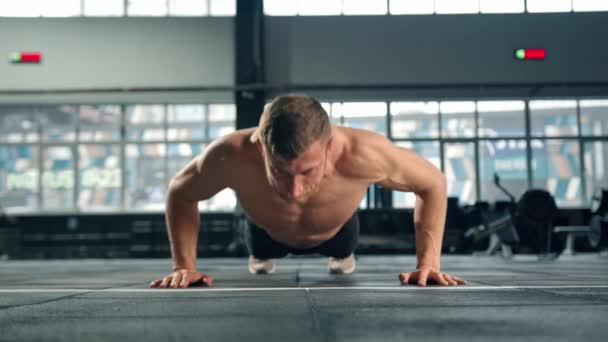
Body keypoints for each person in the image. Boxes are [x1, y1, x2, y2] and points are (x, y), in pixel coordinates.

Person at [149, 95, 466, 288]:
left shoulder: (365, 154)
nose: (295, 189)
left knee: (342, 251)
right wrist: (183, 267)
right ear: (261, 146)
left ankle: (341, 255)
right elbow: (181, 191)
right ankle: (261, 255)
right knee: (260, 254)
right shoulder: (231, 155)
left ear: (330, 146)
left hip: (338, 233)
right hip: (264, 233)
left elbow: (432, 182)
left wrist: (429, 264)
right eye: (280, 172)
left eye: (307, 171)